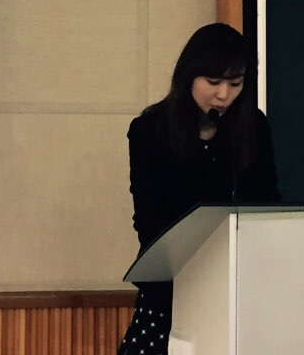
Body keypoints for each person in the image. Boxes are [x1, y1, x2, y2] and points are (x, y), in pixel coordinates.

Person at [118, 23, 280, 355]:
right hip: (171, 289)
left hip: (238, 285)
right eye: (213, 82)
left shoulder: (253, 127)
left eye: (236, 84)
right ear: (189, 76)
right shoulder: (150, 131)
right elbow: (149, 220)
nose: (224, 95)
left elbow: (266, 206)